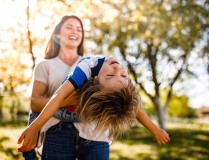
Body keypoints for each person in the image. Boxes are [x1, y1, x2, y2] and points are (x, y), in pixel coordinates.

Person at [18, 56, 170, 160]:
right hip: (63, 110)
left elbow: (135, 108)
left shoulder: (117, 83)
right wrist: (35, 127)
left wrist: (155, 130)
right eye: (123, 76)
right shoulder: (89, 66)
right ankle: (29, 153)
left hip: (85, 114)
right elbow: (58, 97)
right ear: (94, 78)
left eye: (111, 75)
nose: (118, 69)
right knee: (36, 115)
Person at [22, 15, 85, 160]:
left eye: (79, 29)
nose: (75, 32)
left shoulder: (90, 65)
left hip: (88, 133)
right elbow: (35, 103)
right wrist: (66, 101)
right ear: (57, 34)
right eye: (69, 27)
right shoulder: (45, 65)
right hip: (55, 132)